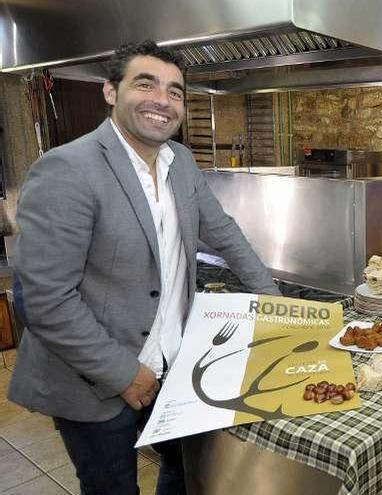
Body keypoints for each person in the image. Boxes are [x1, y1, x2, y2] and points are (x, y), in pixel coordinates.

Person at [8, 40, 281, 495]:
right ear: (111, 92)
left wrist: (274, 306)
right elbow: (46, 300)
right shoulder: (66, 170)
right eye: (145, 83)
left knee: (186, 475)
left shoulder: (182, 161)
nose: (163, 100)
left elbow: (225, 233)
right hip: (96, 379)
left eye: (175, 91)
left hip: (175, 365)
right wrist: (123, 373)